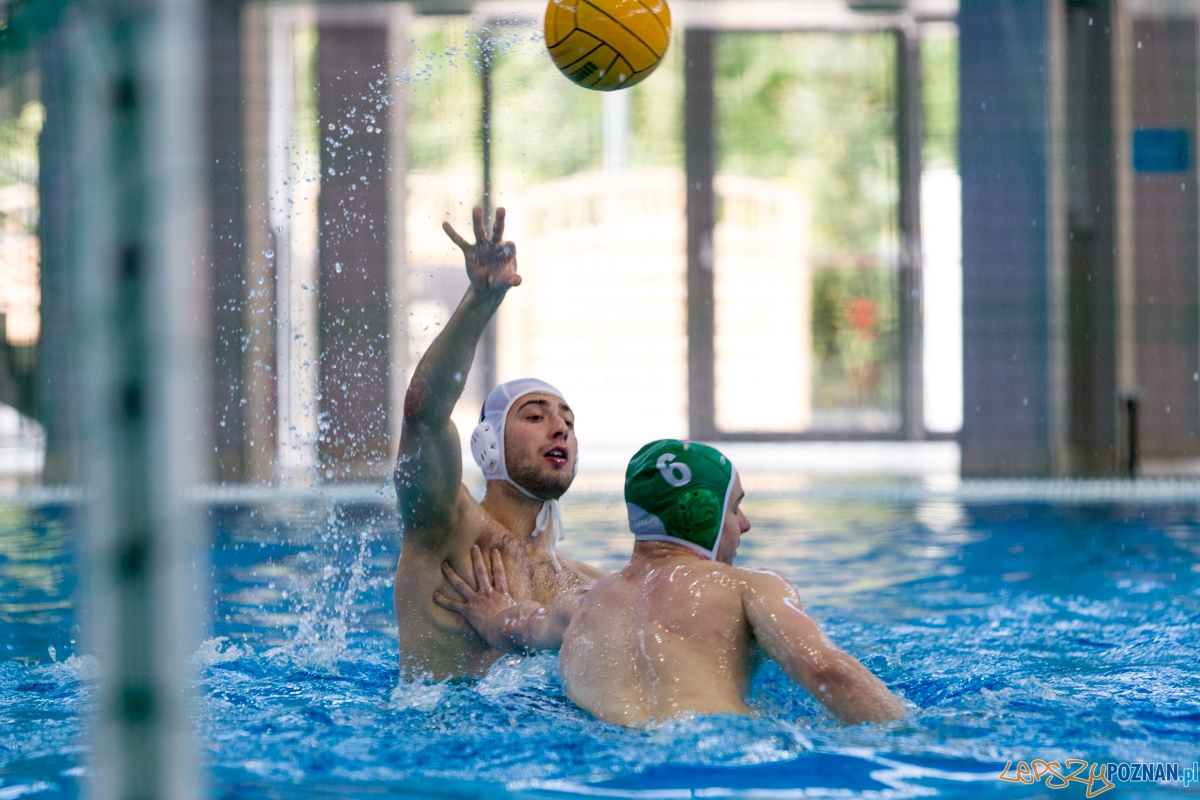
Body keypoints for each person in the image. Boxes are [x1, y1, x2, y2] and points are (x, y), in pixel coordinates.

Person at [434, 439, 908, 726]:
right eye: (735, 507)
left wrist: (493, 615)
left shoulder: (579, 605)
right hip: (722, 758)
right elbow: (826, 671)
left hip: (609, 762)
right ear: (704, 514)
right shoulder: (751, 587)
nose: (745, 524)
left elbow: (515, 629)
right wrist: (911, 735)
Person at [394, 206, 603, 681]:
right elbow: (423, 417)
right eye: (535, 416)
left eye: (568, 421)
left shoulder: (589, 585)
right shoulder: (445, 526)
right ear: (487, 444)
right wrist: (481, 300)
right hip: (439, 725)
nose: (560, 428)